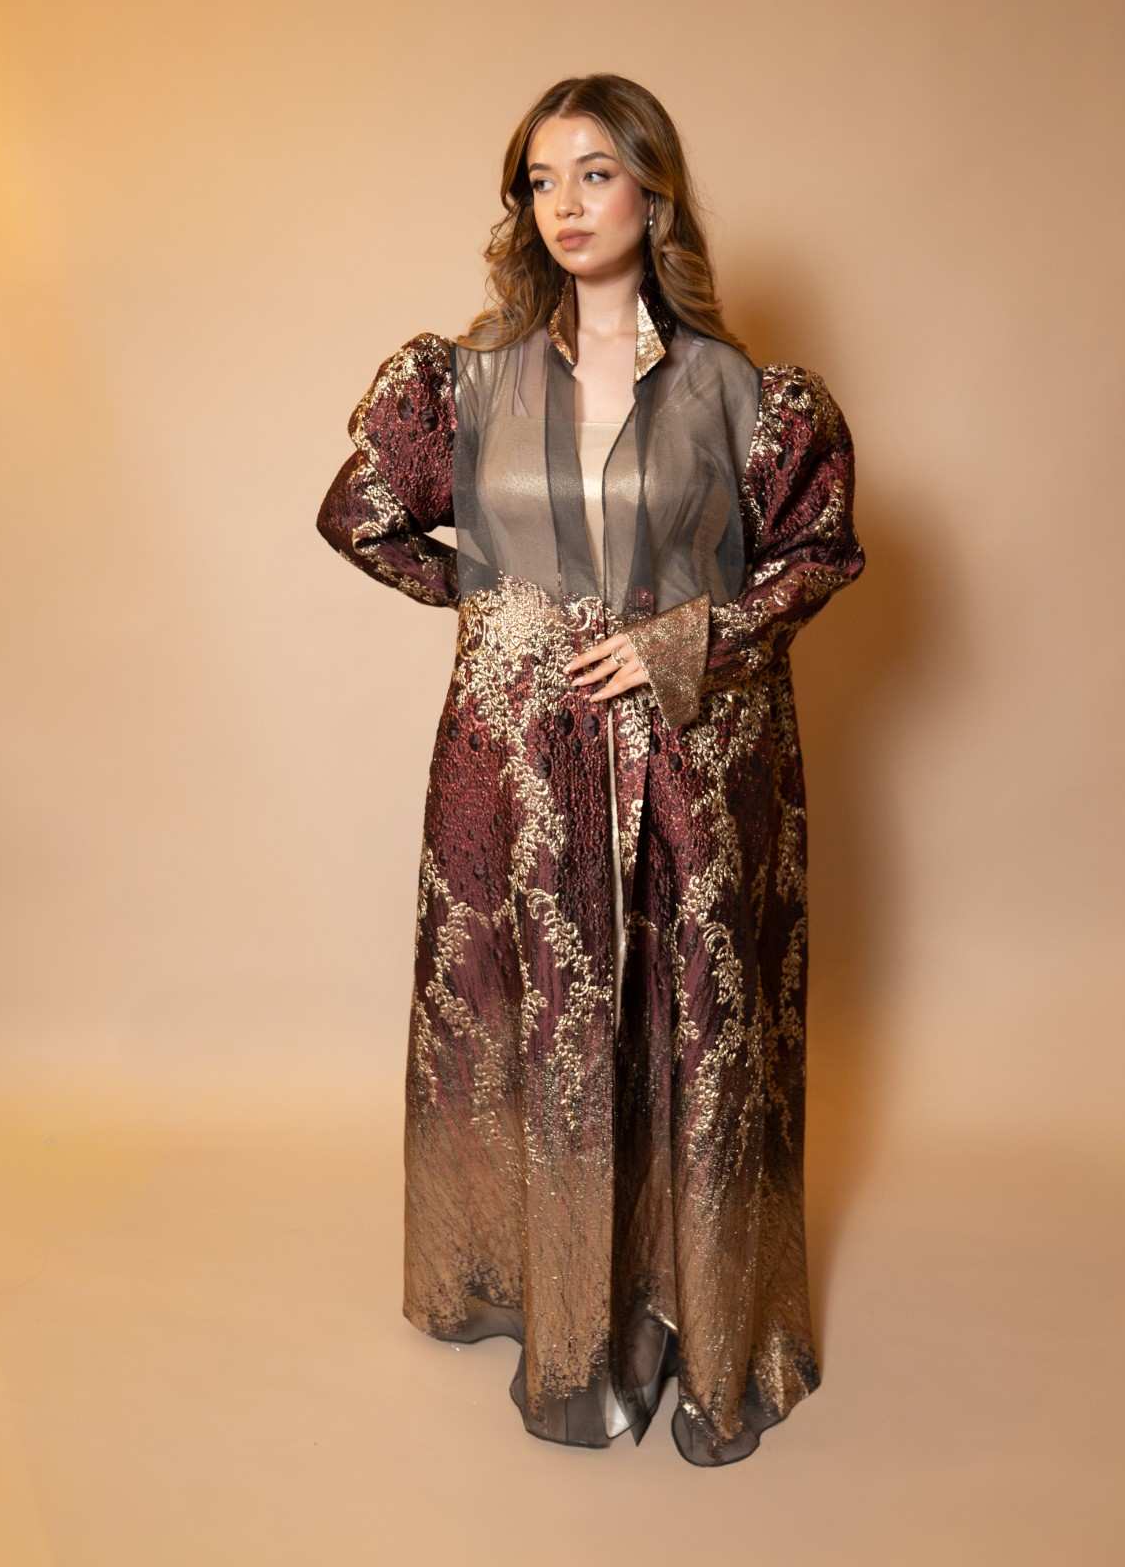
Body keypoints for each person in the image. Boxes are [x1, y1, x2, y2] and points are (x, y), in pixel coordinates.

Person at [315, 72, 866, 1467]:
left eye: (596, 173)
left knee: (687, 1024)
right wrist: (503, 621)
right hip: (521, 773)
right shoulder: (465, 382)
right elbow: (363, 515)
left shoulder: (747, 396)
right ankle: (565, 1311)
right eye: (541, 180)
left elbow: (815, 556)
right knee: (543, 1021)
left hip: (693, 764)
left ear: (654, 193)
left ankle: (692, 1310)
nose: (565, 204)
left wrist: (689, 640)